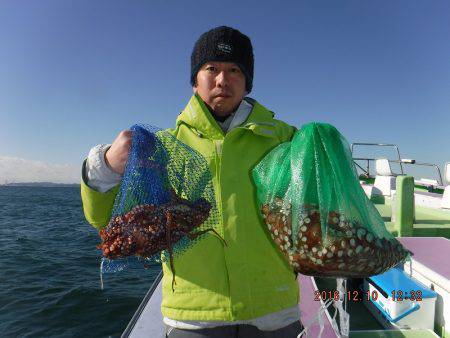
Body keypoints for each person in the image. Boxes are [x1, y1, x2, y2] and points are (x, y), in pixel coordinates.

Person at [81, 26, 303, 337]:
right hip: (194, 317)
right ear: (195, 80)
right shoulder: (161, 148)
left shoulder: (285, 139)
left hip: (275, 311)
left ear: (247, 82)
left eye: (234, 70)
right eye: (211, 68)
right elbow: (104, 220)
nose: (223, 80)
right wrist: (105, 166)